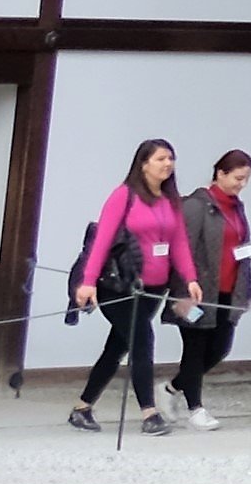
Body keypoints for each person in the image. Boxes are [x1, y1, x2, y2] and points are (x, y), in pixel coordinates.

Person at [66, 138, 204, 433]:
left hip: (153, 289)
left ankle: (82, 408)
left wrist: (190, 278)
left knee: (117, 347)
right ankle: (149, 413)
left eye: (171, 158)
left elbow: (179, 243)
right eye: (160, 159)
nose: (167, 164)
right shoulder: (124, 196)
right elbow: (101, 241)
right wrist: (87, 282)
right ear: (143, 164)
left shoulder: (171, 200)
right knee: (143, 340)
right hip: (120, 287)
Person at [169, 148, 251, 427]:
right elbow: (183, 248)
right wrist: (184, 289)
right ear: (220, 173)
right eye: (237, 178)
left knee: (220, 348)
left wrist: (246, 289)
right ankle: (195, 409)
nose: (241, 184)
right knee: (195, 348)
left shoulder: (236, 207)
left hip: (228, 290)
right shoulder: (197, 206)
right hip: (198, 290)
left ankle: (171, 389)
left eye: (246, 179)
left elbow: (241, 247)